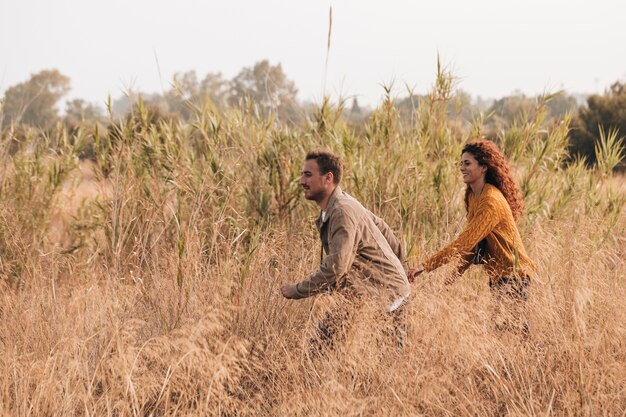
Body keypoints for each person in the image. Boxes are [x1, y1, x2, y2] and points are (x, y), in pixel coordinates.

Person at [281, 149, 411, 347]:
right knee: (320, 347)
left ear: (328, 178)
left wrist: (296, 290)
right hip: (367, 293)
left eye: (308, 175)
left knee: (386, 363)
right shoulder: (343, 204)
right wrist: (402, 270)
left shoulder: (342, 210)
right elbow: (381, 226)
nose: (302, 181)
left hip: (385, 295)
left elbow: (336, 267)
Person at [408, 140, 535, 332]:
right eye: (461, 163)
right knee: (504, 333)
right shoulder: (473, 196)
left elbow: (463, 243)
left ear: (483, 167)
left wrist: (424, 266)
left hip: (514, 274)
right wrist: (451, 280)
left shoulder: (491, 201)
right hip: (499, 276)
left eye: (467, 163)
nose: (462, 168)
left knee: (513, 334)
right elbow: (473, 246)